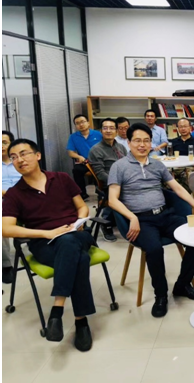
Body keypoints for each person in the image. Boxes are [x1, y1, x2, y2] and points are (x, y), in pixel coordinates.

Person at [3, 139, 97, 351]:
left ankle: (57, 310)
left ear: (38, 155)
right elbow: (5, 228)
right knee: (80, 258)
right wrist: (47, 233)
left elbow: (82, 207)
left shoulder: (61, 178)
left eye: (24, 154)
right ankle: (81, 322)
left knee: (69, 240)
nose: (19, 160)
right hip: (44, 244)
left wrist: (77, 223)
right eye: (14, 157)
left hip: (76, 233)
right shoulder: (15, 193)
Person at [108, 123, 194, 318]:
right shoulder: (119, 166)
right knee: (154, 249)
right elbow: (112, 199)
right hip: (141, 220)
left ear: (151, 143)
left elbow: (177, 188)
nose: (142, 145)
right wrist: (132, 217)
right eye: (137, 140)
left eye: (146, 141)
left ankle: (182, 285)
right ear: (129, 142)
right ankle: (161, 296)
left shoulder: (157, 164)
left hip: (165, 215)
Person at [87, 118, 127, 242]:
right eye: (105, 128)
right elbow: (100, 174)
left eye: (111, 128)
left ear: (116, 131)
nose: (108, 131)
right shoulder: (96, 150)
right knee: (119, 192)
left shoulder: (121, 147)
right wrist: (118, 181)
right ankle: (106, 223)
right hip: (108, 183)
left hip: (124, 180)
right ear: (101, 131)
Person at [66, 114, 102, 200]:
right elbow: (70, 152)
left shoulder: (98, 134)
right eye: (77, 123)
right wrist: (79, 156)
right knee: (76, 170)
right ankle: (82, 194)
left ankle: (101, 193)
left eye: (82, 122)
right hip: (84, 162)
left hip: (98, 161)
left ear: (88, 123)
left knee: (101, 171)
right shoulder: (73, 137)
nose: (81, 125)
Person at [2, 130, 21, 284]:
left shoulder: (21, 161)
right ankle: (6, 265)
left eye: (4, 142)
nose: (1, 146)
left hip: (24, 198)